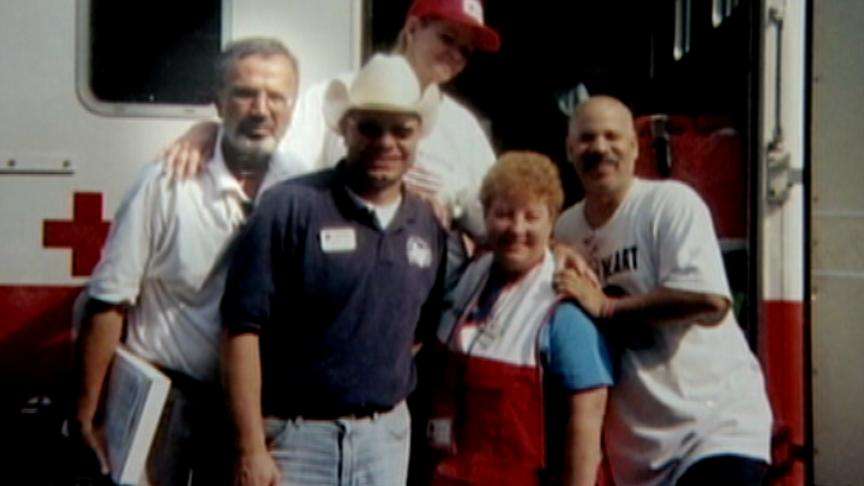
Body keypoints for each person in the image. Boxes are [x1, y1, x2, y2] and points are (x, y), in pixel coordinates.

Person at [71, 37, 306, 485]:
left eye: (276, 96)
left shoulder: (299, 187)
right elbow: (108, 300)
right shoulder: (164, 184)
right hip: (167, 406)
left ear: (293, 107)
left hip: (254, 412)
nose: (261, 109)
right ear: (218, 102)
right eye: (244, 93)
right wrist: (87, 415)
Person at [219, 53, 448, 486]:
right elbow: (240, 331)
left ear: (419, 136)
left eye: (401, 130)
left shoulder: (428, 225)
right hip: (296, 442)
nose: (386, 142)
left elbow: (418, 333)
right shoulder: (289, 207)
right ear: (344, 128)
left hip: (386, 441)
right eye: (369, 127)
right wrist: (251, 446)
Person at [553, 96, 773, 485]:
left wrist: (607, 308)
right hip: (639, 455)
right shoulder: (565, 230)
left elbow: (709, 301)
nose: (600, 148)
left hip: (713, 430)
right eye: (587, 139)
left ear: (635, 147)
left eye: (612, 137)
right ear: (570, 150)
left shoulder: (670, 204)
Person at [165, 0, 500, 240]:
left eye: (467, 51)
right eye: (448, 38)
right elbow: (278, 169)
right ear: (413, 29)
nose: (457, 55)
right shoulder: (334, 95)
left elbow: (493, 218)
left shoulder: (463, 127)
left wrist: (452, 199)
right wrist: (210, 131)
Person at [423, 151, 613, 486]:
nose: (517, 229)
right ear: (485, 216)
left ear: (552, 220)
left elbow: (587, 422)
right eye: (504, 215)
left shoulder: (564, 304)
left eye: (531, 217)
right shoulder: (471, 274)